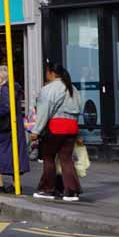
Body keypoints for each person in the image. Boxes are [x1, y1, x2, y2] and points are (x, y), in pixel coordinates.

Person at [31, 63, 82, 202]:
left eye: (46, 72)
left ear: (51, 73)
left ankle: (47, 189)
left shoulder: (48, 89)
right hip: (72, 127)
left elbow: (44, 111)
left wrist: (36, 130)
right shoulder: (73, 88)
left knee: (48, 158)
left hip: (56, 126)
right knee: (66, 159)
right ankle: (71, 191)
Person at [0, 65, 30, 193]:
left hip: (6, 126)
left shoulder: (6, 89)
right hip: (15, 125)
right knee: (14, 153)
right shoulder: (15, 86)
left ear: (0, 77)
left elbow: (6, 107)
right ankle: (15, 184)